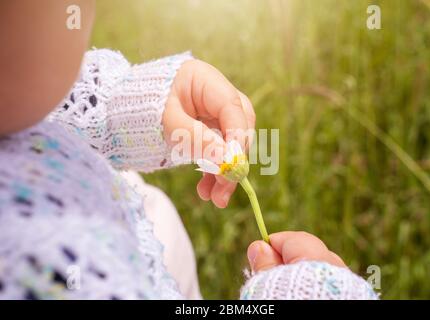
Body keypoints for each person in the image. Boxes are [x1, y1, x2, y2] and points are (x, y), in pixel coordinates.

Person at [0, 0, 377, 299]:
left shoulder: (16, 100)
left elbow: (35, 107)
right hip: (134, 263)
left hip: (132, 235)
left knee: (159, 214)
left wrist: (124, 106)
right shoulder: (51, 262)